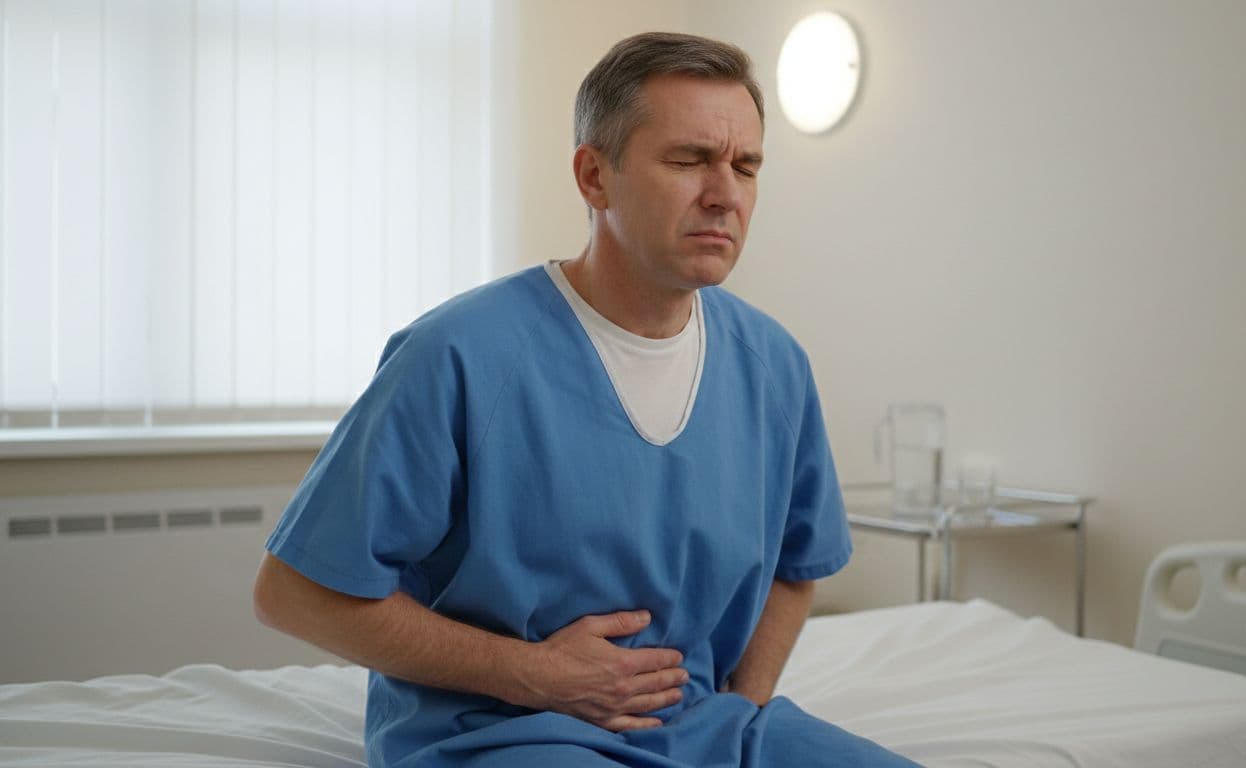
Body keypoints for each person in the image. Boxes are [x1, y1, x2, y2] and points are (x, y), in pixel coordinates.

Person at [253, 31, 921, 768]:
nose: (725, 194)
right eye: (688, 160)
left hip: (705, 728)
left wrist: (745, 703)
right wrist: (535, 674)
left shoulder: (774, 365)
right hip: (499, 733)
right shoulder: (461, 355)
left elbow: (800, 564)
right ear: (593, 176)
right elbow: (294, 593)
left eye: (746, 166)